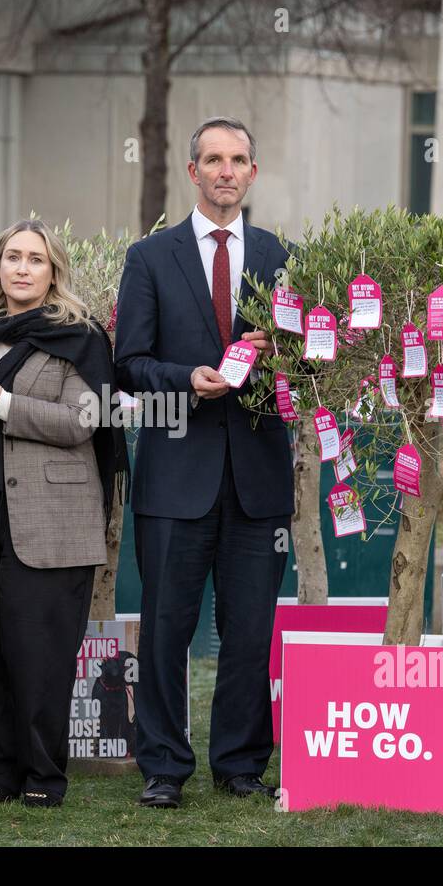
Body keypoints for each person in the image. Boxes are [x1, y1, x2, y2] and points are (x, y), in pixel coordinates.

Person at [0, 218, 128, 808]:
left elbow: (83, 420)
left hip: (50, 516)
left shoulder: (80, 337)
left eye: (35, 259)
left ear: (53, 270)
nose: (22, 268)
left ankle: (42, 779)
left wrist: (3, 401)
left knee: (40, 654)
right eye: (13, 257)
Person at [113, 116, 293, 808]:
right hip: (175, 478)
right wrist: (186, 379)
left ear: (253, 172)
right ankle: (163, 767)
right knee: (166, 630)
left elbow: (312, 360)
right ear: (193, 172)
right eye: (213, 159)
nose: (226, 171)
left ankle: (240, 766)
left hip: (258, 480)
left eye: (238, 160)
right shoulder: (150, 257)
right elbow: (130, 364)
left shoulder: (283, 258)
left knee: (249, 632)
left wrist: (285, 356)